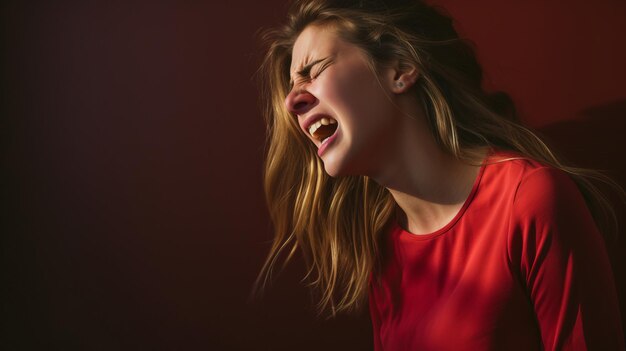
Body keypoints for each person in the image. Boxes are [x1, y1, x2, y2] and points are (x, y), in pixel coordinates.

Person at [253, 0, 625, 349]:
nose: (292, 102)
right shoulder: (384, 251)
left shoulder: (529, 200)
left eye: (314, 71)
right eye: (291, 88)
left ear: (400, 68)